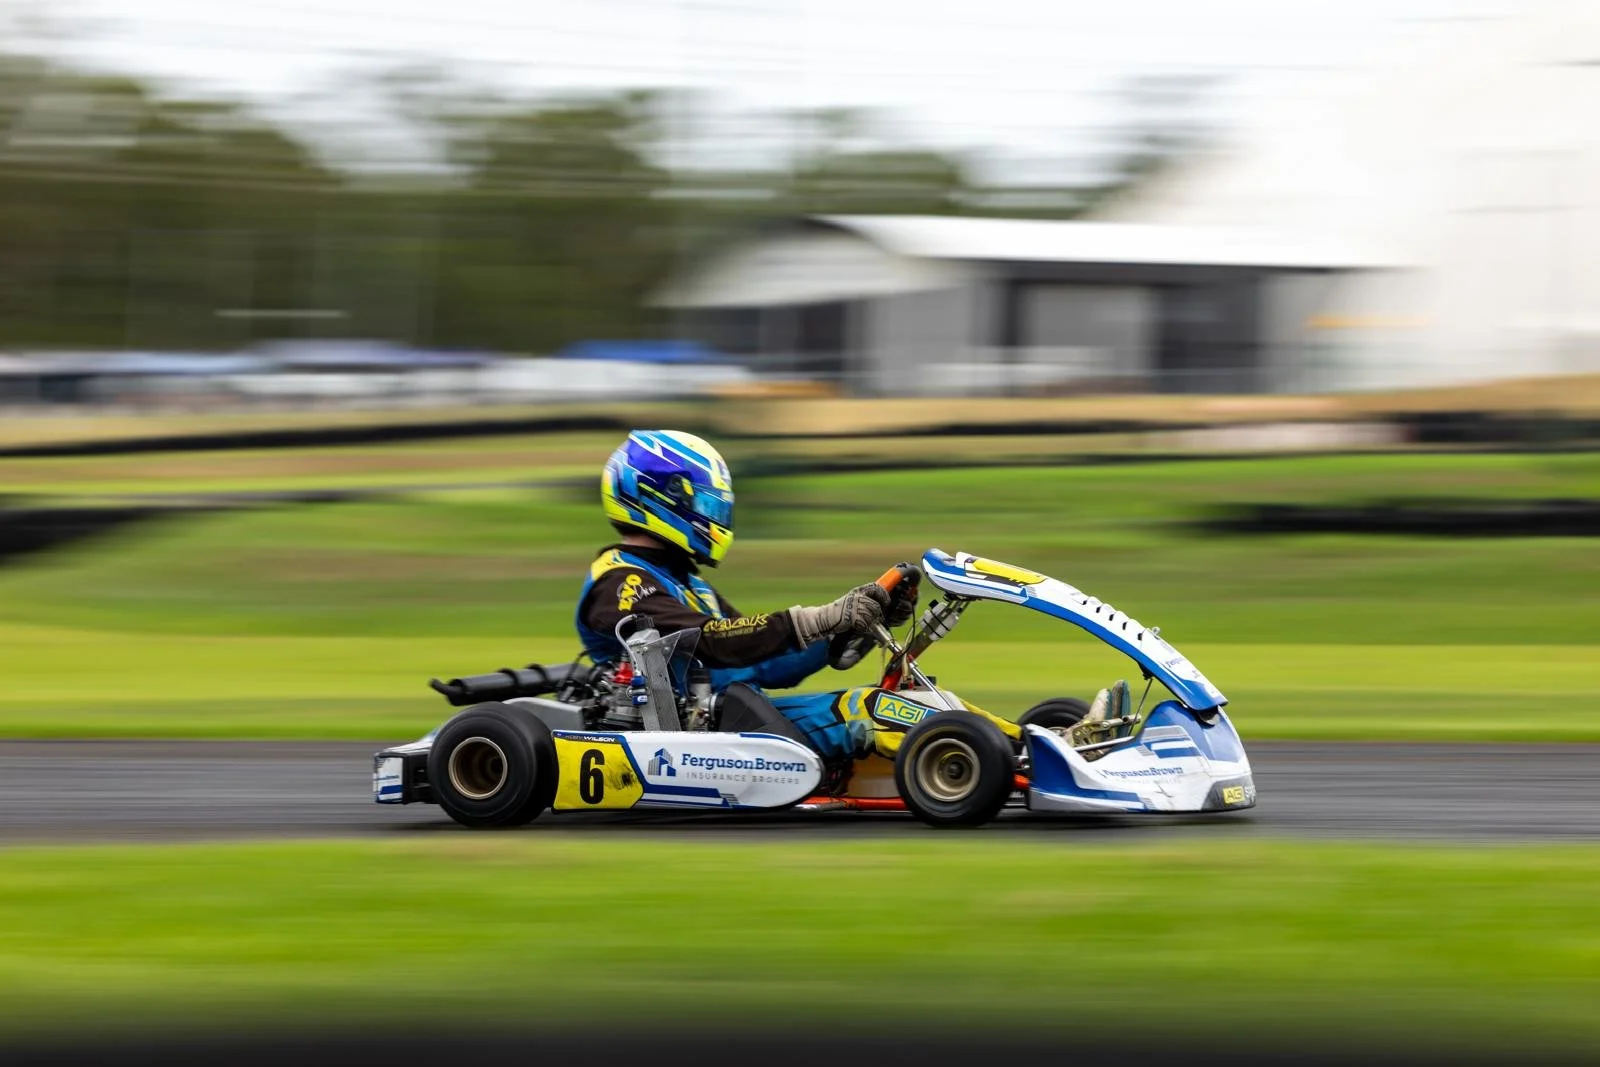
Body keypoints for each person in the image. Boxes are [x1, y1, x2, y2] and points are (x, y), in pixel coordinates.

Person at [575, 429, 913, 762]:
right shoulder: (621, 582)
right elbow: (711, 643)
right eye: (705, 503)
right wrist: (820, 618)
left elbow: (759, 662)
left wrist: (847, 630)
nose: (713, 517)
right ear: (661, 496)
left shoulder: (689, 582)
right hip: (690, 738)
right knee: (874, 713)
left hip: (734, 719)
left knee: (899, 703)